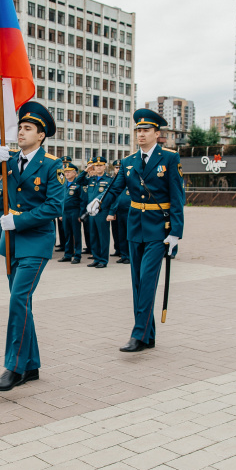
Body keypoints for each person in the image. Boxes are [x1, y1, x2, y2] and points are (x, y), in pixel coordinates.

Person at [0, 102, 64, 391]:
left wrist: (18, 221)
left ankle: (13, 367)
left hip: (35, 241)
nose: (21, 132)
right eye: (20, 127)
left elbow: (54, 207)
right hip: (10, 244)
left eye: (28, 128)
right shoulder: (7, 159)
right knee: (23, 304)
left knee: (18, 300)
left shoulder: (51, 165)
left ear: (41, 135)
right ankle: (30, 365)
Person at [86, 109, 185, 352]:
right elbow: (115, 187)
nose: (141, 134)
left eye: (146, 130)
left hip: (158, 228)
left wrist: (176, 233)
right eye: (138, 131)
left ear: (157, 134)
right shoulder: (129, 162)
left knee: (147, 280)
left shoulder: (169, 158)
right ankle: (148, 336)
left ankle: (138, 334)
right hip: (134, 225)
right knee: (137, 283)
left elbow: (177, 196)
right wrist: (100, 201)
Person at [84, 157, 113, 268]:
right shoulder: (91, 179)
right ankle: (96, 258)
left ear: (105, 166)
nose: (98, 167)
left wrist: (111, 212)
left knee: (103, 236)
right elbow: (78, 181)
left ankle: (103, 260)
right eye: (96, 165)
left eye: (101, 165)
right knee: (93, 235)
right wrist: (86, 170)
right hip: (92, 212)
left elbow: (114, 198)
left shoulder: (109, 179)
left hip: (102, 211)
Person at [57, 163, 85, 264]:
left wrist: (81, 214)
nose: (67, 174)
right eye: (65, 172)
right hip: (65, 212)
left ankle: (77, 255)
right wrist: (60, 213)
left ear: (75, 173)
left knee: (76, 234)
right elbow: (60, 200)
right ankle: (68, 254)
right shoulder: (63, 184)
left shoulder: (78, 185)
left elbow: (82, 200)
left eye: (69, 172)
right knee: (67, 234)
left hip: (75, 212)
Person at [108, 161, 131, 264]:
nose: (118, 169)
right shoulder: (114, 182)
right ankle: (123, 254)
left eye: (120, 167)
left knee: (129, 234)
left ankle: (130, 255)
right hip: (118, 211)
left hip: (129, 212)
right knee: (120, 235)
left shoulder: (130, 180)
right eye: (116, 167)